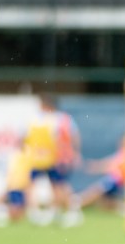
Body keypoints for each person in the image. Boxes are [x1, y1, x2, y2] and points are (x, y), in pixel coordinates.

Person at [23, 94, 82, 225]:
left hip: (53, 158)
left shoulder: (45, 120)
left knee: (59, 185)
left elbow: (28, 137)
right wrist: (76, 153)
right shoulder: (64, 119)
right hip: (56, 157)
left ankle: (69, 211)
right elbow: (75, 135)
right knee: (57, 185)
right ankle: (60, 211)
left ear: (44, 105)